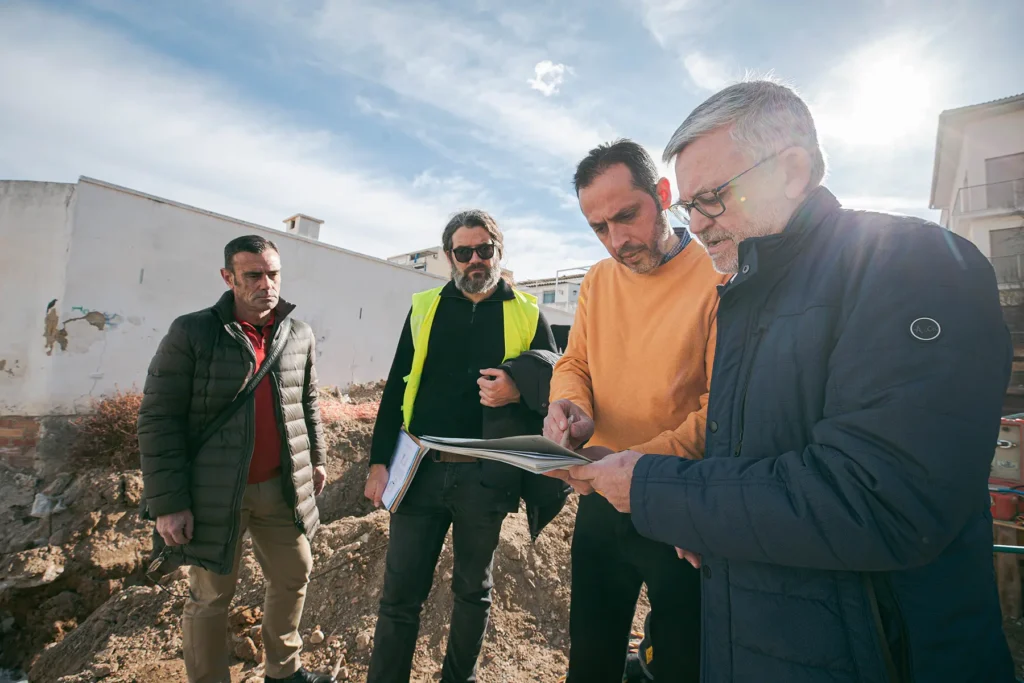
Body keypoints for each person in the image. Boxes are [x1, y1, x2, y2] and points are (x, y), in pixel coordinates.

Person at [568, 79, 1016, 682]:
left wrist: (661, 489)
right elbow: (747, 459)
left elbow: (877, 500)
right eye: (691, 208)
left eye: (714, 198)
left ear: (792, 170)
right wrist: (704, 519)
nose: (699, 225)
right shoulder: (748, 297)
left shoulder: (915, 266)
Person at [543, 139, 730, 683]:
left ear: (664, 195)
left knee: (680, 664)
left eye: (627, 216)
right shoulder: (599, 281)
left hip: (680, 509)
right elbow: (574, 359)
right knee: (590, 658)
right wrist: (568, 406)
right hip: (599, 502)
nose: (617, 241)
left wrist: (629, 465)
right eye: (599, 228)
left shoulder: (719, 277)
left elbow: (716, 414)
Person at [364, 210, 560, 683]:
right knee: (400, 595)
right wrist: (377, 461)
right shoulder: (426, 306)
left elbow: (558, 375)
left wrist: (516, 386)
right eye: (464, 251)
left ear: (498, 250)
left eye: (484, 249)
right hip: (419, 470)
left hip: (485, 475)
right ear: (449, 255)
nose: (475, 260)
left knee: (474, 591)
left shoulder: (527, 312)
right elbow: (396, 388)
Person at [138, 234, 333, 683]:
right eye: (254, 275)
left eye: (274, 274)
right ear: (228, 278)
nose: (267, 284)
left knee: (294, 574)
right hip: (213, 492)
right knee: (211, 597)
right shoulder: (193, 331)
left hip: (280, 488)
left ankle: (283, 672)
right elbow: (158, 418)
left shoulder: (298, 333)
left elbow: (307, 401)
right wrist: (168, 503)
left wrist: (316, 459)